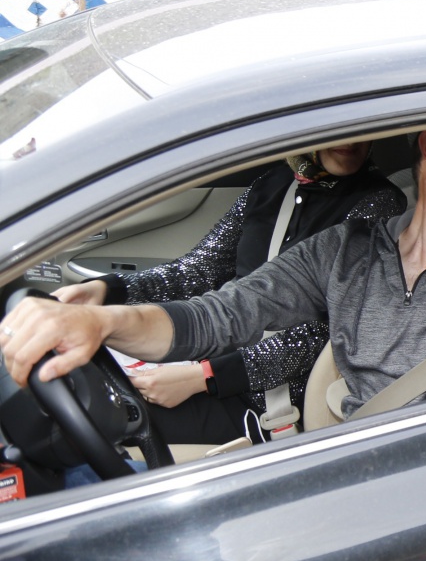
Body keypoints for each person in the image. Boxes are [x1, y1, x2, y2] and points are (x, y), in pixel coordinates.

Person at [2, 121, 426, 421]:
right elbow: (219, 314)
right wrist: (104, 317)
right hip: (339, 457)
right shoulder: (346, 249)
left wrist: (207, 377)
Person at [52, 143, 404, 445]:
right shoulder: (271, 186)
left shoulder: (379, 205)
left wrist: (207, 377)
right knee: (76, 391)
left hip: (270, 398)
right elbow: (198, 270)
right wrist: (110, 289)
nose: (351, 140)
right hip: (212, 358)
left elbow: (331, 332)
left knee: (89, 420)